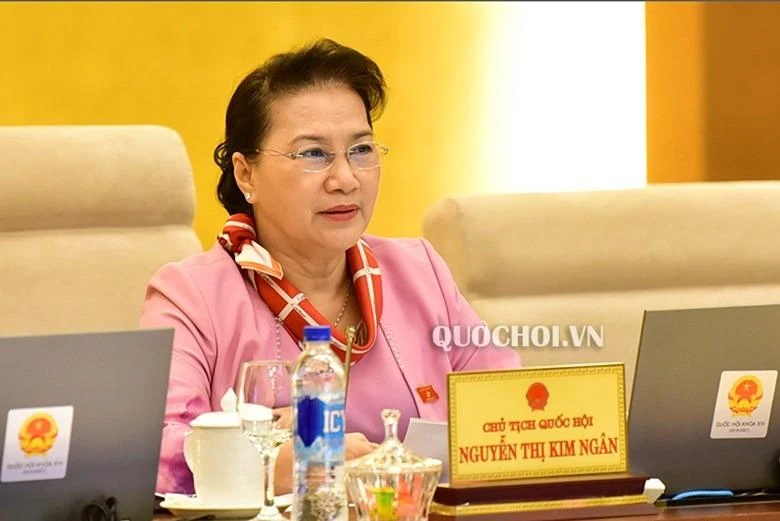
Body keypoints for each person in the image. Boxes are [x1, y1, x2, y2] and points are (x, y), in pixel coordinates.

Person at [141, 38, 521, 496]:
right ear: (246, 174)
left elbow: (508, 409)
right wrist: (288, 463)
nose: (345, 179)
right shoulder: (190, 296)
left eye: (361, 150)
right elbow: (157, 452)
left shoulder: (420, 271)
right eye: (313, 154)